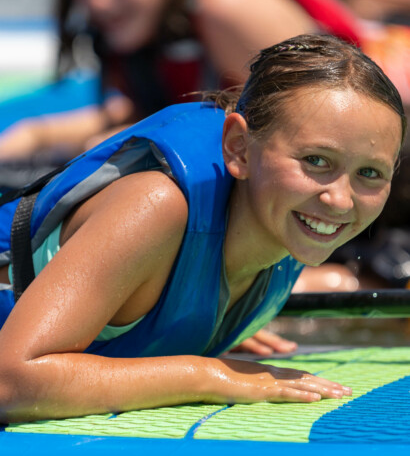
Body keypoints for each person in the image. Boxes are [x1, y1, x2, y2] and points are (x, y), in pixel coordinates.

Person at [0, 33, 405, 422]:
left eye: (370, 173)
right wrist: (208, 372)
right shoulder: (154, 206)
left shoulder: (287, 220)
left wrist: (196, 324)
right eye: (316, 161)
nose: (341, 199)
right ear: (239, 148)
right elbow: (11, 382)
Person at [0, 0, 362, 160]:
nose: (95, 2)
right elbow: (142, 110)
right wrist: (36, 135)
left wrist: (134, 140)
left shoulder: (228, 8)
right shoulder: (153, 32)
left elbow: (317, 121)